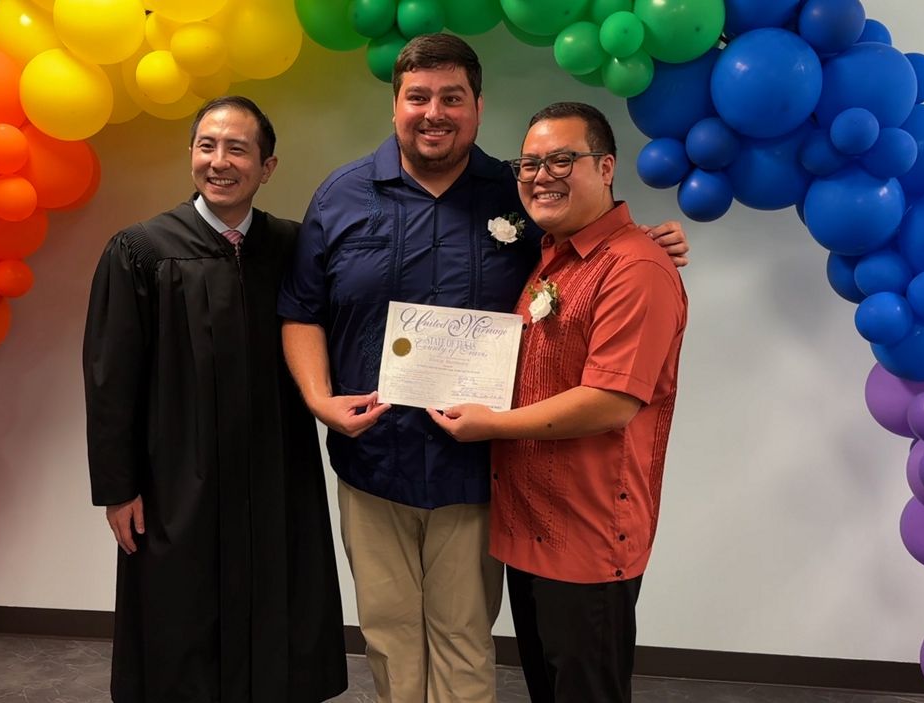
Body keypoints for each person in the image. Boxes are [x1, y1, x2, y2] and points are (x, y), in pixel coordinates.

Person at [277, 34, 689, 702]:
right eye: (418, 97)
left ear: (477, 107)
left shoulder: (519, 193)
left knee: (465, 640)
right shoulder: (341, 196)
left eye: (452, 98)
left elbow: (588, 245)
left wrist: (645, 238)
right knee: (387, 634)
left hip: (476, 468)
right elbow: (302, 310)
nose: (433, 112)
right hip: (371, 460)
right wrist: (320, 400)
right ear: (394, 106)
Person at [82, 96, 346, 703]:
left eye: (237, 149)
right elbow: (109, 378)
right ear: (192, 155)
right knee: (181, 610)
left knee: (279, 600)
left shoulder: (292, 247)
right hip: (177, 477)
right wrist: (118, 487)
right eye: (207, 146)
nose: (219, 162)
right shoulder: (142, 250)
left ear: (267, 167)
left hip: (275, 471)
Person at [428, 101, 688, 703]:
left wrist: (492, 425)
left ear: (606, 167)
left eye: (562, 160)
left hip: (589, 537)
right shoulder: (551, 256)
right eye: (529, 164)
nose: (541, 175)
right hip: (533, 525)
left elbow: (611, 401)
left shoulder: (636, 267)